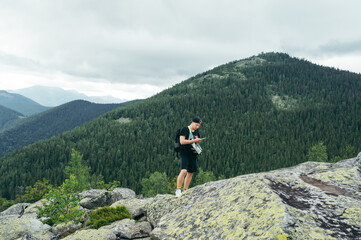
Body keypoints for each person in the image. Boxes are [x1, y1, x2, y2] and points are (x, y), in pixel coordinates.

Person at [176, 116, 205, 197]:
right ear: (192, 123)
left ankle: (185, 190)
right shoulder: (184, 129)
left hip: (193, 153)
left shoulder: (196, 131)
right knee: (184, 171)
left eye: (198, 125)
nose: (197, 127)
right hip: (184, 152)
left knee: (190, 172)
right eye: (196, 125)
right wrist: (195, 140)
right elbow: (182, 141)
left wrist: (198, 141)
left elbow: (195, 140)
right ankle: (178, 189)